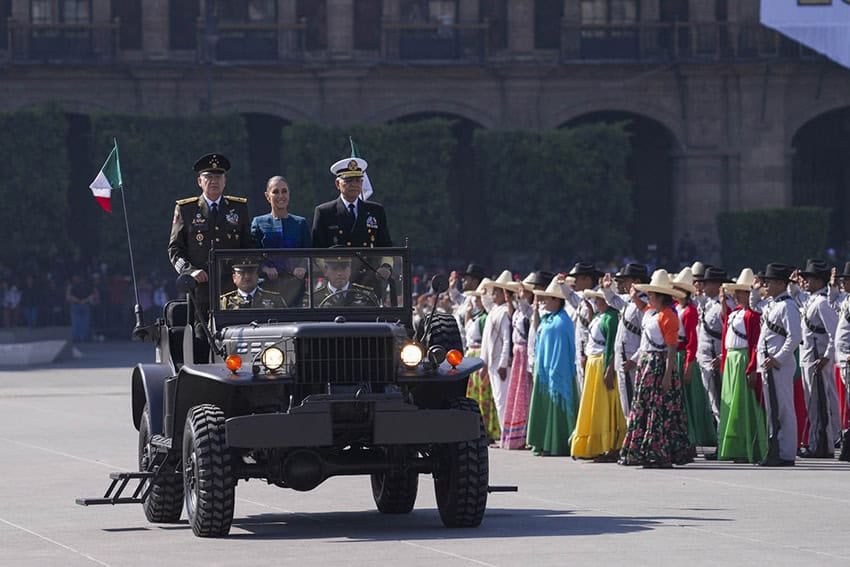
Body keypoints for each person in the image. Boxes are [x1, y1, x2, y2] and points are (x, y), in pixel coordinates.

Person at [167, 153, 252, 350]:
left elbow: (248, 246)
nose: (214, 182)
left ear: (225, 181)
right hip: (201, 289)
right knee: (201, 338)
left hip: (232, 286)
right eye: (209, 178)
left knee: (236, 336)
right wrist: (190, 271)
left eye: (218, 177)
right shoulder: (186, 209)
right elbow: (174, 249)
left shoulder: (238, 208)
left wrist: (246, 272)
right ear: (200, 181)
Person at [619, 269, 690, 468]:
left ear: (660, 296)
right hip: (647, 364)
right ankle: (644, 450)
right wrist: (634, 296)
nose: (648, 296)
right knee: (646, 407)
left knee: (659, 410)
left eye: (651, 293)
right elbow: (642, 308)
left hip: (659, 365)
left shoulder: (669, 316)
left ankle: (658, 451)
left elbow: (671, 348)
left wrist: (668, 374)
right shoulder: (653, 312)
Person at [750, 263, 802, 466]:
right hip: (768, 364)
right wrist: (754, 289)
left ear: (781, 283)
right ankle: (775, 449)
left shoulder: (788, 306)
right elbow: (755, 305)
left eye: (769, 282)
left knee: (784, 409)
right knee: (773, 409)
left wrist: (778, 358)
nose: (766, 285)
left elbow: (794, 337)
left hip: (778, 364)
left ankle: (786, 453)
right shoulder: (772, 303)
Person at [716, 268, 767, 463]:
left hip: (744, 360)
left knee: (744, 406)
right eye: (736, 292)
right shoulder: (736, 313)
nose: (736, 296)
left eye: (742, 292)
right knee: (730, 405)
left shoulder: (753, 316)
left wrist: (752, 367)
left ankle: (748, 447)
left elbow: (755, 343)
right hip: (731, 359)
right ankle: (733, 446)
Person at [571, 288, 626, 461]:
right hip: (593, 363)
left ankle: (609, 446)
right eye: (595, 300)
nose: (597, 303)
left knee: (605, 407)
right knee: (593, 405)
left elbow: (612, 346)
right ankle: (593, 445)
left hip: (603, 362)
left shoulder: (611, 318)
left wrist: (609, 370)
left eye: (599, 300)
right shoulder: (597, 316)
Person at [526, 275, 579, 456]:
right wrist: (534, 311)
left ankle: (557, 444)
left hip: (558, 370)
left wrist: (556, 369)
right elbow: (537, 330)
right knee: (543, 406)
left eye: (547, 298)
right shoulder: (548, 318)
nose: (543, 301)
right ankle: (541, 442)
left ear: (557, 300)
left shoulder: (563, 321)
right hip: (544, 368)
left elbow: (565, 348)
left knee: (556, 407)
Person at [794, 259, 840, 458]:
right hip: (808, 357)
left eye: (810, 278)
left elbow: (834, 333)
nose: (807, 282)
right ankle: (815, 442)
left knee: (820, 403)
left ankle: (822, 445)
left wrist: (826, 356)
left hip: (817, 358)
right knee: (812, 403)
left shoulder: (821, 303)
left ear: (820, 281)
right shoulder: (811, 299)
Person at [500, 271, 551, 450]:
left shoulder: (535, 311)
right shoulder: (521, 312)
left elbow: (530, 316)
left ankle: (529, 433)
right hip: (521, 354)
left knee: (529, 395)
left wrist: (524, 302)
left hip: (530, 354)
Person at [673, 267, 717, 452]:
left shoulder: (690, 311)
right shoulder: (676, 308)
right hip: (674, 352)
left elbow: (692, 340)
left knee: (688, 400)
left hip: (684, 354)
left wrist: (689, 364)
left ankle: (691, 438)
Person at [600, 263, 649, 422]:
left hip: (631, 360)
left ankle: (635, 443)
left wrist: (635, 359)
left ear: (636, 281)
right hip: (623, 359)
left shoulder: (644, 304)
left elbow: (647, 337)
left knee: (634, 402)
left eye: (626, 281)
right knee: (626, 403)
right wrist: (607, 289)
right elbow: (613, 300)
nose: (623, 285)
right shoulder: (630, 301)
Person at [312, 157, 392, 248]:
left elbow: (386, 247)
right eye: (348, 181)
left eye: (358, 180)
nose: (354, 184)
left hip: (368, 262)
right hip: (337, 262)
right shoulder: (324, 212)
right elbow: (317, 251)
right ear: (338, 184)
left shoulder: (376, 211)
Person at [463, 278, 501, 443]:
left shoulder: (486, 318)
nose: (476, 301)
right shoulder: (477, 316)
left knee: (484, 393)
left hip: (479, 353)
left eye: (478, 298)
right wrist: (468, 313)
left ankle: (487, 428)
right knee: (475, 394)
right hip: (471, 352)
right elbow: (467, 330)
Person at [480, 270, 514, 431]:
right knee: (498, 398)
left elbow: (507, 339)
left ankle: (506, 432)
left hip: (501, 363)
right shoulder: (494, 310)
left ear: (503, 293)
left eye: (496, 292)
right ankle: (504, 431)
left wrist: (502, 363)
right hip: (492, 362)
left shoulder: (505, 313)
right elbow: (486, 301)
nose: (492, 295)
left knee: (503, 399)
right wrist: (484, 363)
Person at [251, 176, 311, 249]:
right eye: (275, 192)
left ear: (289, 193)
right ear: (267, 196)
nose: (280, 196)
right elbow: (254, 255)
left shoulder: (300, 223)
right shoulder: (258, 223)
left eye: (284, 191)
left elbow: (308, 255)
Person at [312, 256, 378, 307]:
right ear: (325, 271)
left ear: (350, 270)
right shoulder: (315, 298)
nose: (339, 273)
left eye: (343, 268)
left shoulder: (366, 296)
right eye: (334, 269)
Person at [219, 261, 286, 309]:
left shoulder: (275, 299)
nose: (247, 277)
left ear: (257, 276)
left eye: (251, 272)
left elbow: (285, 324)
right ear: (234, 278)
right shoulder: (225, 301)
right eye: (242, 273)